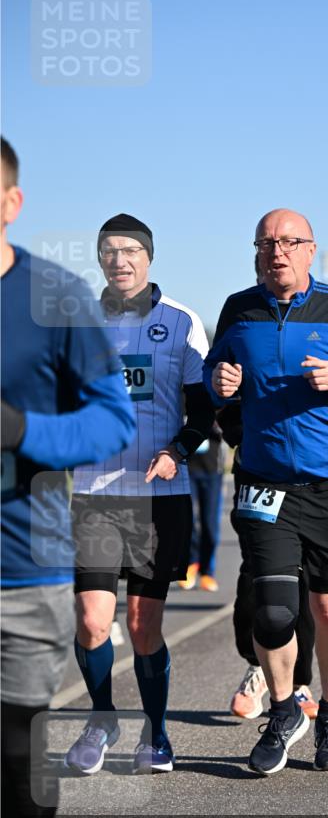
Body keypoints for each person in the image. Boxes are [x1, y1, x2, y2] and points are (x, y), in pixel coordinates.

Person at [0, 137, 135, 818]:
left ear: (10, 203)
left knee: (16, 753)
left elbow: (113, 421)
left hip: (25, 565)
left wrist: (25, 434)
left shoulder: (56, 297)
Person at [204, 208, 328, 775]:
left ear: (311, 250)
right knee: (270, 613)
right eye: (267, 243)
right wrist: (220, 382)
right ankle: (286, 708)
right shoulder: (238, 310)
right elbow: (217, 373)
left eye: (290, 242)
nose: (278, 251)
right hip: (265, 482)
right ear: (255, 252)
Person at [64, 214, 213, 776]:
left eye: (130, 250)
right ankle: (101, 718)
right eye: (109, 251)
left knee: (142, 626)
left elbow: (204, 410)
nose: (119, 260)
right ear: (99, 258)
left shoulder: (181, 322)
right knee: (91, 620)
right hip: (93, 495)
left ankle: (157, 734)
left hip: (158, 496)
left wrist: (178, 449)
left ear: (149, 258)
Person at [217, 400, 319, 722]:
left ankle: (299, 681)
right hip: (257, 473)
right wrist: (245, 438)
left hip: (311, 470)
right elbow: (222, 393)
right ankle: (258, 666)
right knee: (255, 573)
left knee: (303, 578)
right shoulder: (239, 347)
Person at [179, 419, 225, 592]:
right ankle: (192, 562)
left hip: (212, 471)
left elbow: (228, 426)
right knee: (187, 519)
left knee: (210, 524)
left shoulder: (218, 395)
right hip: (187, 468)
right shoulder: (182, 396)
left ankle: (207, 572)